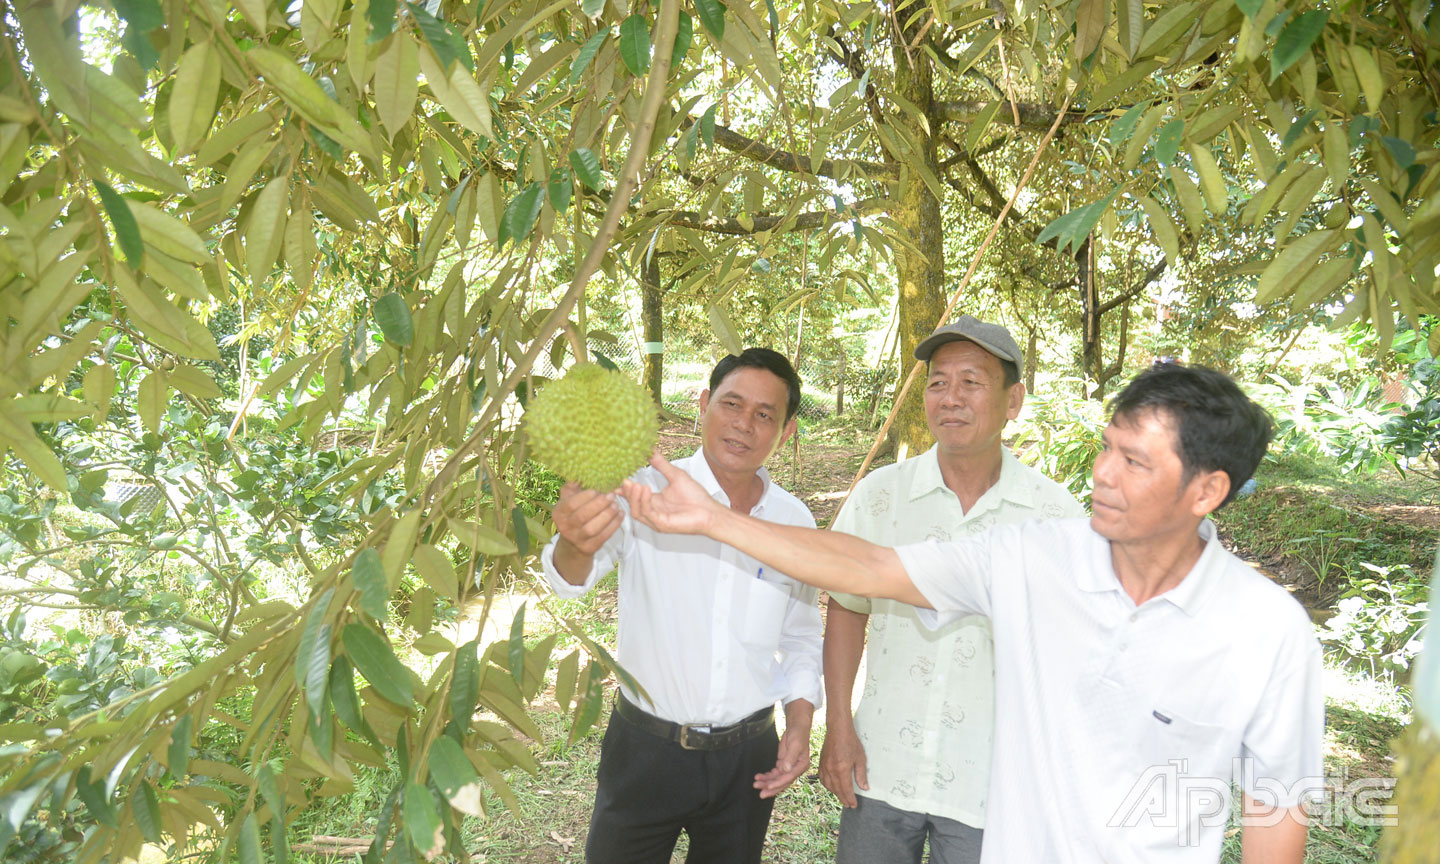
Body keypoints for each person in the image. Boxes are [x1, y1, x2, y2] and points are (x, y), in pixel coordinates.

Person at [619, 362, 1324, 864]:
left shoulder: (1267, 633)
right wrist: (714, 520)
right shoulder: (1036, 557)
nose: (1103, 474)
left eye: (1134, 462)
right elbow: (873, 568)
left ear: (1208, 491)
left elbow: (1275, 812)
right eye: (1107, 446)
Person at [540, 347, 822, 864]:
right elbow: (568, 581)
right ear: (702, 404)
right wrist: (575, 540)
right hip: (646, 750)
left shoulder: (794, 521)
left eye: (765, 415)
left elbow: (802, 635)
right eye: (731, 405)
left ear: (786, 433)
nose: (743, 425)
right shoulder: (642, 492)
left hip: (749, 759)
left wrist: (800, 721)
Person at [820, 316, 1084, 864]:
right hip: (881, 764)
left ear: (1014, 401)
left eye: (972, 382)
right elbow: (847, 608)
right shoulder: (881, 497)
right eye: (938, 382)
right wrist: (840, 726)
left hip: (992, 781)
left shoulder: (1054, 517)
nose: (951, 398)